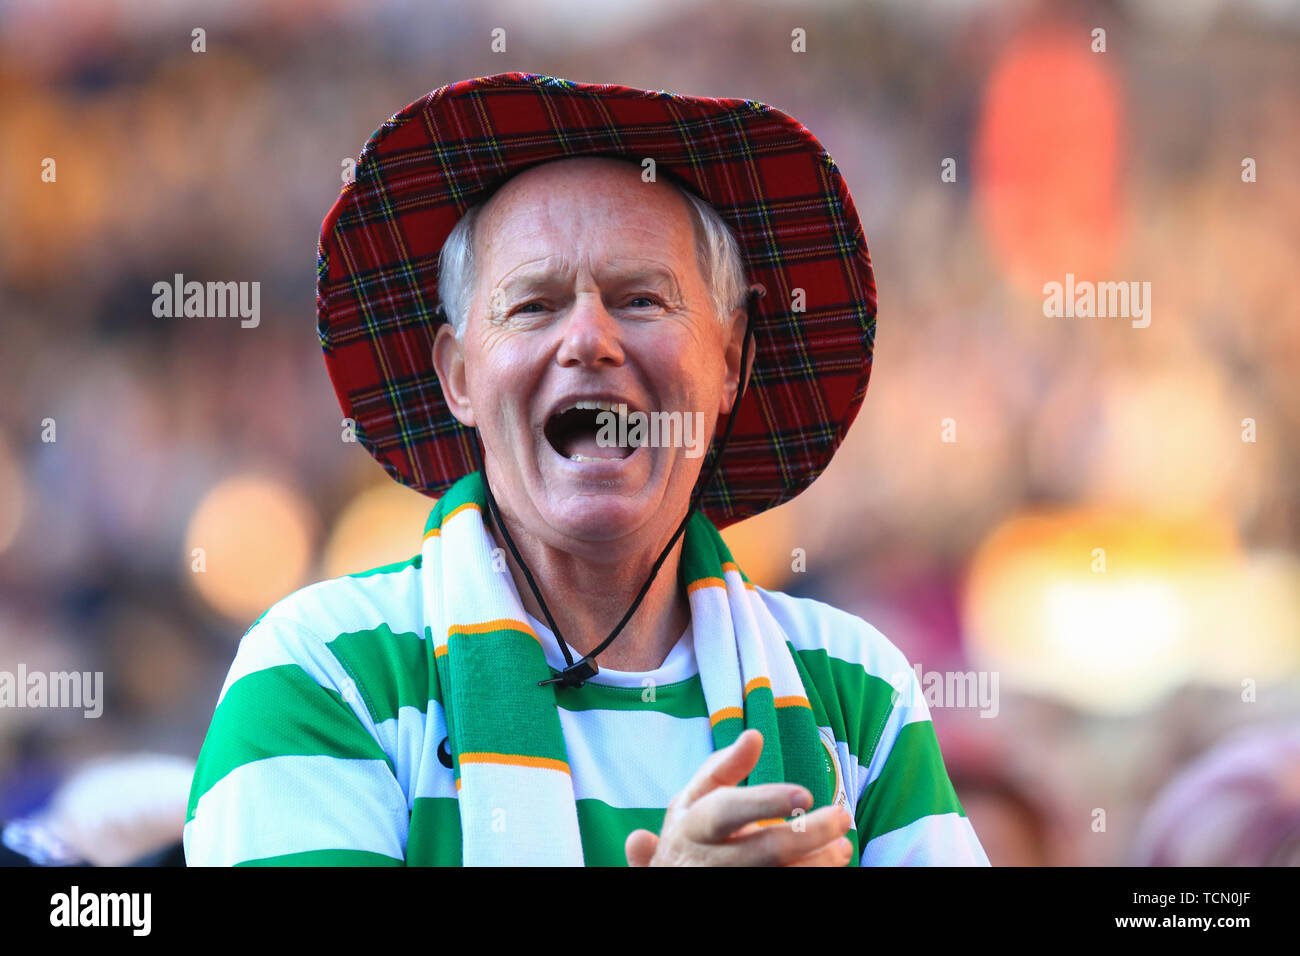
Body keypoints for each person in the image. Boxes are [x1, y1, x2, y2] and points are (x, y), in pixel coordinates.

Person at [184, 72, 989, 867]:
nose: (589, 338)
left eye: (641, 299)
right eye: (533, 305)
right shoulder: (322, 674)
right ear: (459, 376)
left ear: (732, 362)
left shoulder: (856, 693)